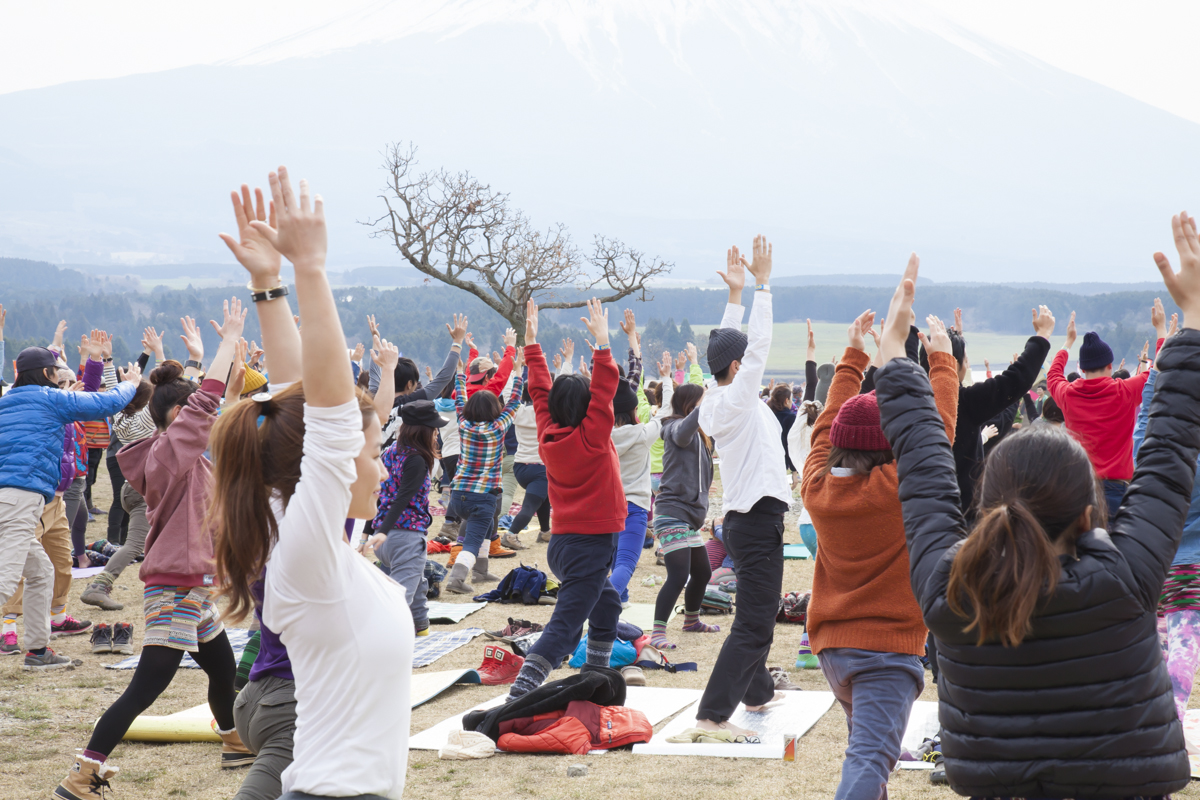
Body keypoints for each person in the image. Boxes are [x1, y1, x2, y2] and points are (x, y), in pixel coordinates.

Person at [872, 221, 1200, 797]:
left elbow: (925, 472)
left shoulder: (949, 588)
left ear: (987, 501)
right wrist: (1193, 321)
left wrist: (898, 364)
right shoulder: (1126, 578)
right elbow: (1170, 447)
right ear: (1087, 510)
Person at [212, 167, 410, 800]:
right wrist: (311, 270)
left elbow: (291, 401)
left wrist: (269, 287)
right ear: (333, 459)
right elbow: (321, 413)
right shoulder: (304, 553)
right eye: (373, 452)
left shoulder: (306, 531)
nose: (382, 468)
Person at [55, 301, 250, 800]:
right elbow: (205, 402)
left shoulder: (170, 452)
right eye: (190, 413)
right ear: (177, 420)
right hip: (177, 584)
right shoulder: (170, 455)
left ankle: (233, 741)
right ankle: (84, 773)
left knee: (223, 668)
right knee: (146, 686)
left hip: (193, 583)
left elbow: (216, 403)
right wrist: (225, 343)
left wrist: (196, 356)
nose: (203, 418)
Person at [801, 308, 959, 799]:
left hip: (833, 649)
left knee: (866, 753)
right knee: (869, 759)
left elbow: (824, 428)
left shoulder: (817, 488)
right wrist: (943, 365)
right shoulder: (899, 489)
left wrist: (852, 360)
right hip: (887, 653)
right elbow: (939, 436)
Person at [692, 237, 792, 739]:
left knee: (756, 619)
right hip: (754, 523)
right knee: (754, 624)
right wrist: (762, 286)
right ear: (737, 371)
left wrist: (733, 297)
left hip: (744, 520)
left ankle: (757, 693)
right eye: (743, 365)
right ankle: (712, 714)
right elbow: (754, 347)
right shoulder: (734, 399)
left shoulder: (716, 395)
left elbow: (727, 349)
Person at [503, 298, 627, 700]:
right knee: (563, 628)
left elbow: (539, 389)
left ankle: (596, 674)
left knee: (606, 606)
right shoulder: (593, 435)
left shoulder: (546, 433)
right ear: (589, 409)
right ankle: (519, 694)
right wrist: (603, 342)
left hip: (563, 546)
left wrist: (532, 343)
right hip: (590, 548)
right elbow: (606, 389)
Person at [0, 340, 137, 675]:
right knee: (4, 578)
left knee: (41, 572)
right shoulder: (49, 399)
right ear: (47, 373)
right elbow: (102, 403)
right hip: (20, 498)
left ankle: (37, 650)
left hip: (12, 499)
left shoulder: (5, 401)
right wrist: (131, 384)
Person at [1047, 306, 1162, 522]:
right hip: (1117, 491)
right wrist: (1161, 331)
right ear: (1110, 365)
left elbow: (1053, 375)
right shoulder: (1125, 391)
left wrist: (1068, 343)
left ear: (1081, 368)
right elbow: (1159, 371)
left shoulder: (1068, 394)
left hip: (1080, 492)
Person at [1133, 352, 1200, 723]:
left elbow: (1143, 424)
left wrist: (1153, 378)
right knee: (1185, 644)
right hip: (1191, 564)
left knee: (1153, 646)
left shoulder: (1151, 455)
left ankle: (1144, 721)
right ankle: (1168, 720)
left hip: (1151, 564)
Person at [652, 378, 726, 649]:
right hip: (672, 512)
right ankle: (658, 633)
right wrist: (705, 402)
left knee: (703, 572)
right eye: (699, 407)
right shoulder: (672, 427)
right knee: (678, 574)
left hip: (690, 517)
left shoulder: (703, 436)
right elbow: (683, 432)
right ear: (689, 406)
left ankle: (691, 620)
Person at [365, 397, 447, 637]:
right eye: (433, 429)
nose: (435, 434)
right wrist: (378, 531)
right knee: (399, 598)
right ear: (425, 431)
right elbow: (403, 499)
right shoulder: (417, 460)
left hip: (386, 540)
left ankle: (420, 626)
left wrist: (372, 532)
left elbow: (379, 494)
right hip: (404, 538)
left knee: (417, 580)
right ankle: (381, 640)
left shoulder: (390, 452)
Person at [443, 355, 525, 594]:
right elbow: (514, 401)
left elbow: (460, 399)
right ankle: (456, 580)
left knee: (486, 527)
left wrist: (460, 373)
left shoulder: (463, 424)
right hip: (483, 496)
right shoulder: (499, 427)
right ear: (495, 410)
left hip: (458, 496)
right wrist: (518, 374)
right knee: (473, 540)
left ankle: (481, 571)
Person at [609, 322, 672, 605]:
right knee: (625, 564)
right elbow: (668, 410)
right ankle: (608, 600)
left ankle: (619, 599)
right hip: (634, 507)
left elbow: (632, 376)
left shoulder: (598, 436)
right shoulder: (643, 433)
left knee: (610, 562)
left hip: (606, 507)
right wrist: (666, 378)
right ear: (635, 409)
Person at [508, 381, 551, 544]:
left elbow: (508, 396)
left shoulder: (518, 411)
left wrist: (515, 371)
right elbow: (562, 393)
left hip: (520, 466)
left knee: (542, 497)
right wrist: (566, 362)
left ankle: (545, 532)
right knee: (530, 505)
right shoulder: (547, 413)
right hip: (539, 467)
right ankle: (511, 535)